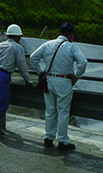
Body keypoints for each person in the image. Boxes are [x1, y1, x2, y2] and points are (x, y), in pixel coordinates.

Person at [30, 22, 87, 151]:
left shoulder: (47, 44)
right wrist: (76, 76)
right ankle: (63, 141)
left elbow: (33, 57)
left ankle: (49, 138)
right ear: (71, 34)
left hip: (49, 80)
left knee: (50, 111)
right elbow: (82, 62)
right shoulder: (71, 47)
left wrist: (40, 71)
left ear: (60, 33)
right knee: (63, 112)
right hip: (64, 81)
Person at [0, 24, 33, 137]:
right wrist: (28, 80)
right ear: (18, 37)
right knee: (3, 104)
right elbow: (22, 66)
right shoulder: (17, 48)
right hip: (2, 76)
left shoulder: (0, 45)